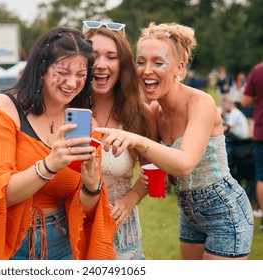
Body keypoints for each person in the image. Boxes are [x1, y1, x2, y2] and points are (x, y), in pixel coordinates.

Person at [95, 22, 254, 259]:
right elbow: (154, 167)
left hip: (224, 210)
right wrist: (135, 193)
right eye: (140, 62)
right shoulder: (153, 112)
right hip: (188, 213)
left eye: (158, 63)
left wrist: (136, 139)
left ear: (179, 68)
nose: (146, 70)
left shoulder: (200, 103)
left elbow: (184, 164)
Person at [0, 26, 116, 260]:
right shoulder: (2, 108)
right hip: (0, 236)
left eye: (81, 75)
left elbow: (82, 209)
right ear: (42, 69)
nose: (72, 83)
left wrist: (91, 186)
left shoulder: (84, 123)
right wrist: (49, 165)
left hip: (59, 241)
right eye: (63, 71)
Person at [83, 21, 155, 259]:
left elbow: (152, 171)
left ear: (122, 64)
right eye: (93, 56)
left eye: (111, 57)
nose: (101, 65)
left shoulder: (140, 113)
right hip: (70, 234)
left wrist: (132, 197)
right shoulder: (66, 108)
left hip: (122, 238)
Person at [242, 61, 263, 231]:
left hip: (261, 132)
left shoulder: (258, 70)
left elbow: (245, 101)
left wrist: (258, 96)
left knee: (261, 178)